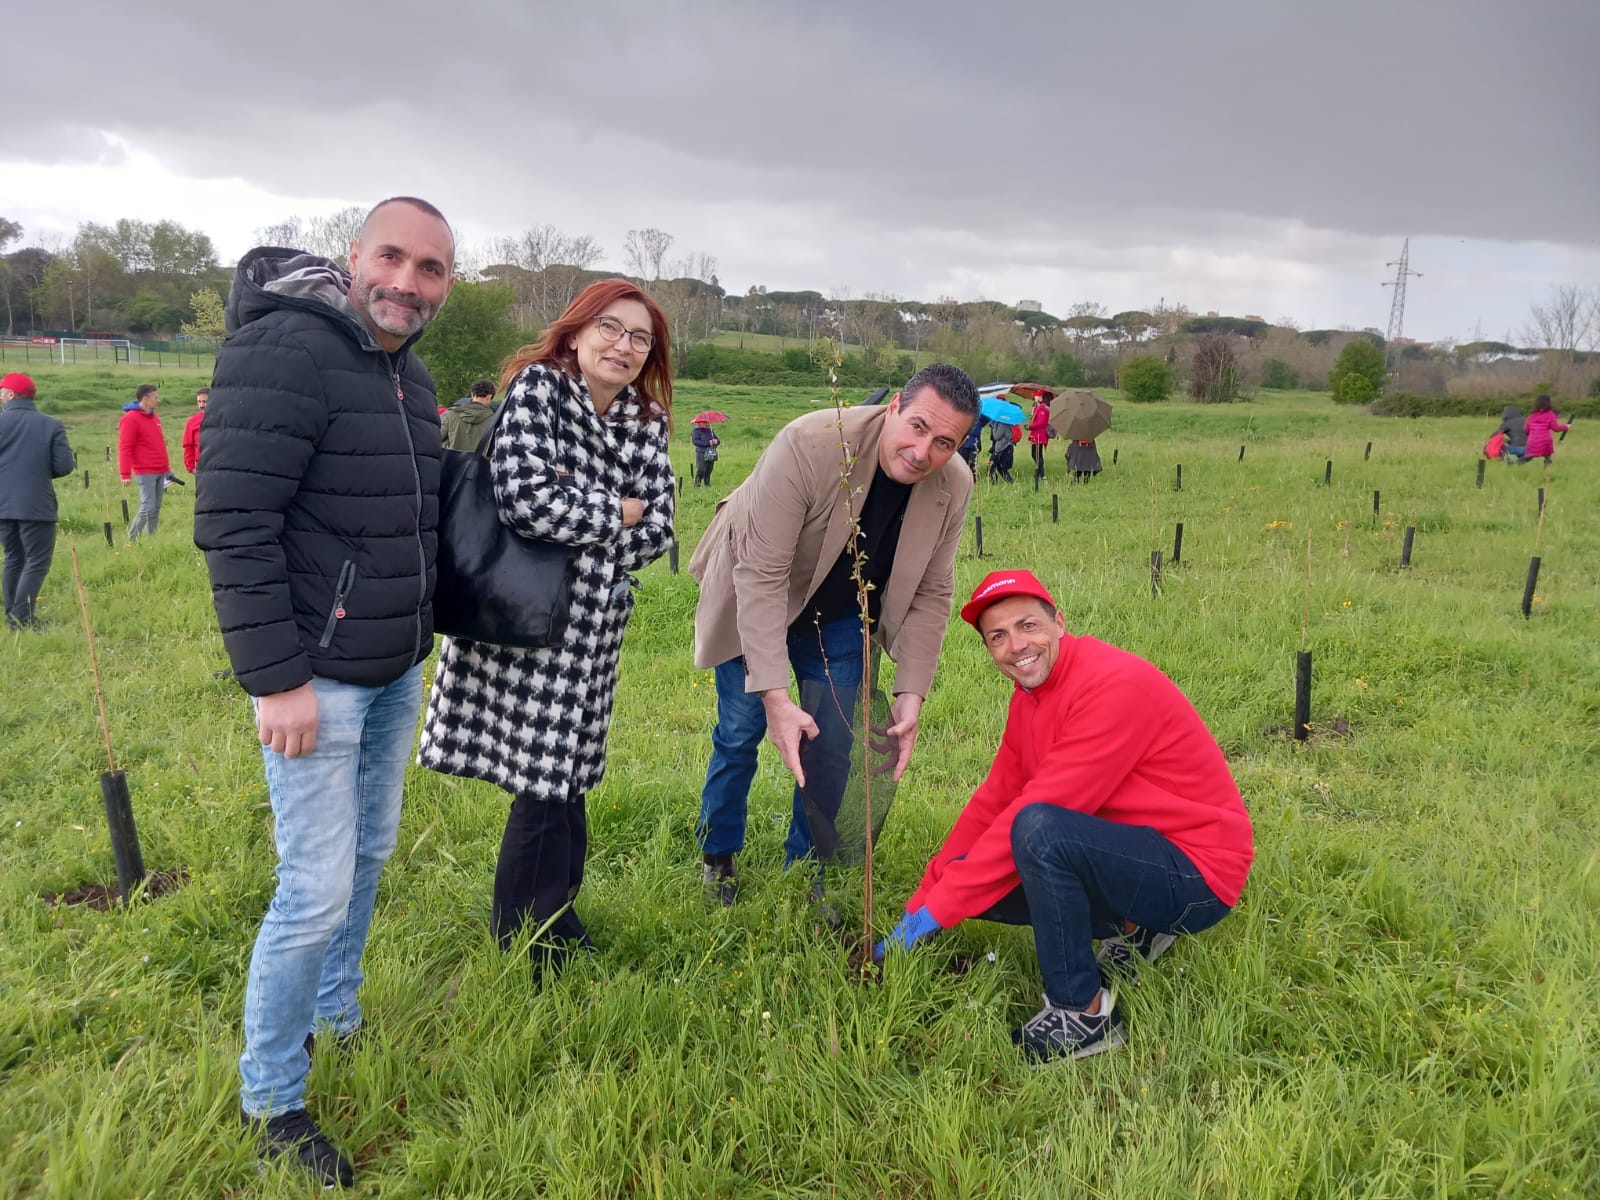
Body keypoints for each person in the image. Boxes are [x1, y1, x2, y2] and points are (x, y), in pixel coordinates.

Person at [194, 196, 455, 1188]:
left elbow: (399, 511)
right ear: (355, 257)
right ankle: (272, 1097)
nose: (408, 281)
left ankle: (336, 1017)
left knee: (372, 853)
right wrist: (276, 680)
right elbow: (234, 522)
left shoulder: (406, 374)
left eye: (430, 269)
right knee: (313, 890)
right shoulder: (287, 352)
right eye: (393, 257)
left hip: (391, 668)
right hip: (314, 680)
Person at [879, 569, 1253, 1063]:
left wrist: (941, 909)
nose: (1016, 645)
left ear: (1060, 622)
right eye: (998, 636)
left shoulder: (1113, 685)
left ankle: (1083, 1015)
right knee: (980, 864)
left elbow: (1044, 810)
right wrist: (924, 901)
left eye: (1028, 625)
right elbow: (994, 799)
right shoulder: (1032, 697)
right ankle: (1135, 927)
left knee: (1038, 831)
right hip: (1136, 849)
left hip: (1198, 874)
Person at [419, 280, 675, 968]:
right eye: (611, 329)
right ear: (577, 332)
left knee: (569, 779)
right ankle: (527, 939)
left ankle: (556, 918)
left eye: (640, 338)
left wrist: (593, 506)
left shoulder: (647, 420)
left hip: (593, 629)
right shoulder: (540, 389)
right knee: (541, 780)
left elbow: (659, 529)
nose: (623, 346)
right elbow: (526, 500)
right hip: (522, 616)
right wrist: (614, 509)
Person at [689, 363, 978, 903]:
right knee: (740, 731)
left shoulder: (953, 485)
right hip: (757, 594)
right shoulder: (811, 442)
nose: (923, 453)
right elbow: (762, 572)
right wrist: (775, 696)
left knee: (834, 745)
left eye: (945, 442)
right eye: (917, 427)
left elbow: (933, 593)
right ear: (893, 406)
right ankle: (718, 854)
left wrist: (911, 694)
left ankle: (807, 868)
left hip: (842, 614)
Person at [0, 373, 75, 629]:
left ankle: (13, 612)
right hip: (36, 504)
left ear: (11, 394)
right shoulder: (51, 424)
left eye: (2, 391)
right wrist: (39, 472)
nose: (0, 396)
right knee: (37, 561)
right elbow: (65, 465)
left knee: (13, 557)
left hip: (3, 504)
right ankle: (21, 617)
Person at [119, 384, 170, 540]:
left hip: (160, 470)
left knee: (155, 508)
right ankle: (132, 539)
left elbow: (159, 444)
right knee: (148, 506)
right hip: (145, 470)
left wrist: (167, 468)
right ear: (145, 399)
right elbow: (125, 447)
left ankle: (151, 539)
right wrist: (125, 473)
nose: (158, 400)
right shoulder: (130, 419)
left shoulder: (155, 417)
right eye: (155, 397)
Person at [440, 378, 497, 451]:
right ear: (489, 396)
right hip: (480, 462)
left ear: (472, 394)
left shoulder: (451, 414)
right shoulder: (495, 420)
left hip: (452, 461)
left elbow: (436, 440)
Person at [1522, 394, 1569, 463]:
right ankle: (1547, 470)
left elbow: (1525, 430)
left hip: (1532, 440)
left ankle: (1515, 464)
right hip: (1545, 441)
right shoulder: (1550, 414)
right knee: (1547, 456)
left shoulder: (1532, 415)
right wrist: (1566, 426)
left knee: (1529, 456)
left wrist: (1532, 435)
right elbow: (1555, 428)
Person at [182, 387, 208, 473]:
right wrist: (191, 468)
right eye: (199, 402)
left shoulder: (220, 419)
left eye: (204, 402)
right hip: (201, 466)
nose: (201, 405)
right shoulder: (192, 422)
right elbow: (188, 446)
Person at [691, 415, 720, 486]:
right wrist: (707, 442)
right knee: (701, 469)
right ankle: (697, 483)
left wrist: (716, 441)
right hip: (701, 453)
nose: (706, 423)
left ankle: (707, 483)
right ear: (699, 422)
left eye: (706, 422)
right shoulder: (696, 431)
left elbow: (718, 440)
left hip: (711, 452)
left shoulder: (710, 430)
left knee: (709, 469)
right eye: (704, 422)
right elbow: (695, 441)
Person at [1027, 397, 1051, 478]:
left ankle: (1040, 472)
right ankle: (1041, 473)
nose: (1034, 397)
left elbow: (1041, 423)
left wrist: (1030, 426)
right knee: (1037, 454)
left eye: (1036, 396)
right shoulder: (1038, 408)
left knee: (1036, 454)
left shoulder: (1042, 409)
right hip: (1036, 434)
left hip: (1039, 435)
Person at [987, 419, 1016, 483]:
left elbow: (996, 437)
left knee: (991, 465)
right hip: (1001, 448)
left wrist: (994, 427)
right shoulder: (1003, 423)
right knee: (1000, 467)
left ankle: (994, 482)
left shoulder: (1003, 425)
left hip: (1002, 449)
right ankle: (1009, 481)